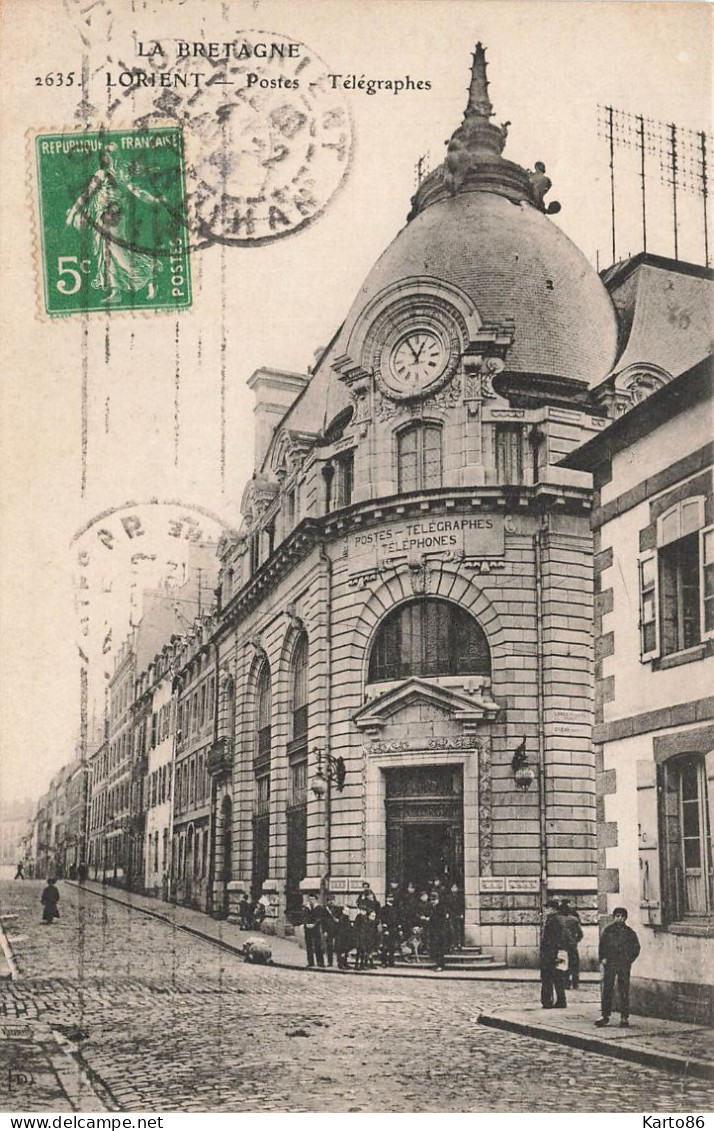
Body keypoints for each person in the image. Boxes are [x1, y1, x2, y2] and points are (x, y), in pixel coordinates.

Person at [596, 907, 641, 1028]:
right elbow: (602, 946)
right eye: (617, 916)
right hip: (610, 964)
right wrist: (603, 958)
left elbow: (636, 948)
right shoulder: (608, 931)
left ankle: (624, 1017)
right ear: (614, 917)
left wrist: (629, 960)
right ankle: (605, 1016)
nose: (619, 918)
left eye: (621, 916)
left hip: (623, 965)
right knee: (607, 990)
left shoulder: (629, 932)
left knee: (624, 990)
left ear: (625, 918)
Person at [540, 900, 567, 1008]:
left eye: (547, 908)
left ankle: (547, 1001)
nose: (545, 910)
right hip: (554, 953)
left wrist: (551, 956)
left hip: (550, 954)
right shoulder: (556, 919)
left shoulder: (553, 921)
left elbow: (552, 940)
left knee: (547, 978)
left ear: (552, 909)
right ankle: (560, 1000)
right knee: (557, 978)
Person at [559, 900, 584, 989]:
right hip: (572, 946)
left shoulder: (557, 920)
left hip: (562, 947)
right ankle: (575, 983)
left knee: (564, 965)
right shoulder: (574, 920)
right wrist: (575, 941)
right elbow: (580, 934)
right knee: (574, 965)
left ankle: (566, 983)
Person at [428, 892, 450, 971]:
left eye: (434, 900)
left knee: (440, 949)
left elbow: (441, 920)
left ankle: (440, 966)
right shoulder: (433, 907)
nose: (433, 902)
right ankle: (438, 964)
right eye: (431, 900)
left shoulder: (441, 907)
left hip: (440, 932)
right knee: (436, 949)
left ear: (437, 900)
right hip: (435, 932)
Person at [302, 895, 326, 969]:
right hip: (308, 929)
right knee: (309, 946)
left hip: (315, 929)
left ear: (316, 900)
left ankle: (320, 962)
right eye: (310, 899)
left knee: (318, 945)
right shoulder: (306, 908)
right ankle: (310, 962)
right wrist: (306, 924)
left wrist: (314, 924)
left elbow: (320, 918)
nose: (311, 900)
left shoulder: (319, 908)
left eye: (313, 899)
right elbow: (304, 917)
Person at [378, 893, 401, 967]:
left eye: (392, 898)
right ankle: (383, 962)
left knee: (392, 947)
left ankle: (391, 961)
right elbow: (383, 920)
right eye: (389, 898)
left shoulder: (395, 909)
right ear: (386, 899)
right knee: (385, 947)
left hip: (394, 930)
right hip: (387, 930)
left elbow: (398, 919)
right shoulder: (383, 909)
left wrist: (399, 929)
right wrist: (385, 930)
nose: (391, 899)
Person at [446, 882, 465, 950]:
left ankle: (459, 943)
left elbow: (462, 906)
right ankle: (453, 943)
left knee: (458, 929)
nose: (454, 889)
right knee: (452, 930)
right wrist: (447, 913)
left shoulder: (460, 897)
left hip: (458, 914)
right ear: (451, 889)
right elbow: (447, 906)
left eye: (455, 887)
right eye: (453, 887)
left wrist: (461, 914)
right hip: (451, 914)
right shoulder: (448, 897)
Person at [323, 898, 341, 968]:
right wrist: (324, 931)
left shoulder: (338, 909)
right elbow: (323, 921)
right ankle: (329, 962)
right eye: (329, 901)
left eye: (332, 900)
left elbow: (341, 918)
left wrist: (338, 920)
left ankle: (339, 962)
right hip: (328, 930)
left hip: (337, 930)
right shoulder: (325, 910)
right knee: (329, 947)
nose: (331, 902)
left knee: (338, 946)